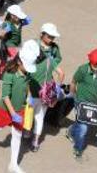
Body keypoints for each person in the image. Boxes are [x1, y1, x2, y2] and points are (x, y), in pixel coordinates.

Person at [0, 41, 39, 173]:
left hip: (21, 108)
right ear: (19, 62)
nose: (29, 69)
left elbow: (28, 86)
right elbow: (5, 96)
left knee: (17, 135)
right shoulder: (9, 74)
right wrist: (13, 113)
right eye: (27, 66)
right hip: (6, 109)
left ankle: (13, 164)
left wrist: (29, 96)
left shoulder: (27, 74)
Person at [68, 49, 97, 159]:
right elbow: (74, 81)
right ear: (90, 62)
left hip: (94, 106)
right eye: (95, 66)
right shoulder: (83, 70)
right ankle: (78, 150)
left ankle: (70, 131)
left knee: (79, 123)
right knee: (83, 129)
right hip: (80, 102)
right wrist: (72, 94)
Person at [28, 23, 65, 151]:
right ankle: (30, 134)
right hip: (37, 88)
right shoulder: (35, 47)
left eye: (53, 37)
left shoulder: (52, 50)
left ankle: (34, 140)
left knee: (37, 115)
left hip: (39, 89)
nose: (52, 39)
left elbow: (59, 65)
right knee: (33, 114)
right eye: (49, 36)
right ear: (42, 34)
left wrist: (56, 90)